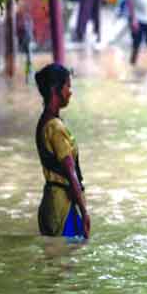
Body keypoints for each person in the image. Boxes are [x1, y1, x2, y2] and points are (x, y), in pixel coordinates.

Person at [34, 63, 90, 241]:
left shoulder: (44, 122)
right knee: (67, 264)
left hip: (51, 205)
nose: (70, 92)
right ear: (55, 89)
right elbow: (71, 173)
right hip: (62, 208)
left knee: (56, 264)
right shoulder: (56, 127)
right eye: (67, 86)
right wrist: (84, 212)